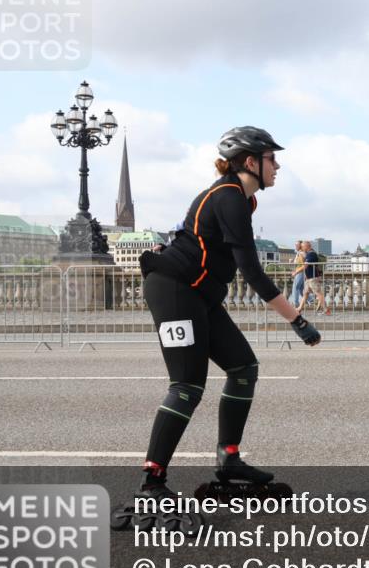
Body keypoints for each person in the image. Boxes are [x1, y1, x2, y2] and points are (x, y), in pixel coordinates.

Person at [112, 126, 321, 532]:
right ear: (250, 162)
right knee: (187, 385)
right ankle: (152, 481)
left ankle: (229, 458)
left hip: (201, 294)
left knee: (244, 367)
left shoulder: (244, 199)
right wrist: (297, 319)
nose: (277, 165)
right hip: (174, 289)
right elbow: (253, 273)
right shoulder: (228, 198)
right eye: (271, 159)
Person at [298, 240, 329, 314]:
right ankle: (299, 309)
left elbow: (305, 266)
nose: (301, 248)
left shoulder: (311, 254)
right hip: (309, 278)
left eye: (302, 247)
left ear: (306, 247)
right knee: (305, 294)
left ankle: (326, 310)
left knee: (318, 293)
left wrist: (296, 272)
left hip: (313, 278)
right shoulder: (308, 254)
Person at [290, 240, 306, 307]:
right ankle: (312, 300)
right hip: (299, 272)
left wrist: (296, 272)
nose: (295, 246)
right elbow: (298, 263)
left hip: (300, 273)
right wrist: (293, 261)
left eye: (297, 245)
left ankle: (295, 304)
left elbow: (303, 265)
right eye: (295, 245)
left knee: (295, 288)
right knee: (301, 289)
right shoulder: (299, 253)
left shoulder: (301, 253)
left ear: (300, 245)